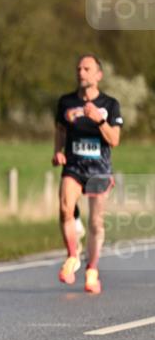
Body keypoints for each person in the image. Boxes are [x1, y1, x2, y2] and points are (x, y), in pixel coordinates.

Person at [52, 54, 123, 294]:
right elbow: (61, 129)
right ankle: (73, 255)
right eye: (78, 68)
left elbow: (114, 140)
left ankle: (92, 269)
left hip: (99, 170)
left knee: (95, 221)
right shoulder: (66, 102)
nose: (81, 72)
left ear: (98, 75)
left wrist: (99, 121)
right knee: (65, 208)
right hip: (73, 166)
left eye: (86, 68)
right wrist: (58, 151)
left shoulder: (110, 105)